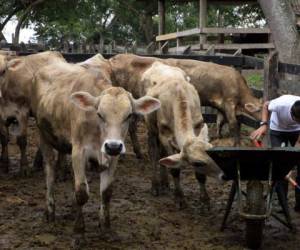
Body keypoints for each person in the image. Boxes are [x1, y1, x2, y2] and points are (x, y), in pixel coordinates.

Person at [250, 94, 300, 212]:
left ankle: (299, 205)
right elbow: (265, 105)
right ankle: (283, 204)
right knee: (281, 167)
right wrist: (263, 125)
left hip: (296, 131)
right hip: (278, 130)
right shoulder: (281, 104)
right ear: (292, 114)